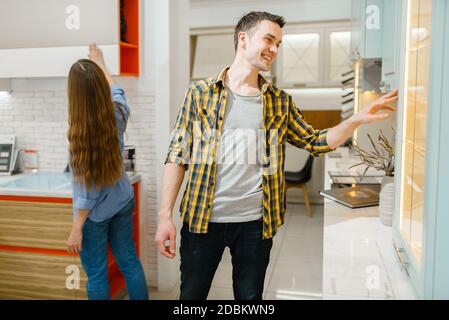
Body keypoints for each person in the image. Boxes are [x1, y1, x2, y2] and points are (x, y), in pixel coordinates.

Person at [155, 11, 398, 300]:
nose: (274, 49)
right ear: (243, 39)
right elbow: (177, 155)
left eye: (279, 44)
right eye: (269, 39)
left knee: (250, 300)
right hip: (201, 221)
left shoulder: (279, 102)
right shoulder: (199, 94)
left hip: (256, 226)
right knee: (191, 299)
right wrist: (164, 216)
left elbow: (315, 141)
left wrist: (355, 120)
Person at [66, 44, 148, 300]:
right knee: (130, 263)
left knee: (98, 276)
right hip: (122, 200)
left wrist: (77, 226)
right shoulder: (117, 112)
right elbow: (117, 90)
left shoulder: (80, 137)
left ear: (75, 95)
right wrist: (101, 62)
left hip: (95, 215)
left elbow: (88, 192)